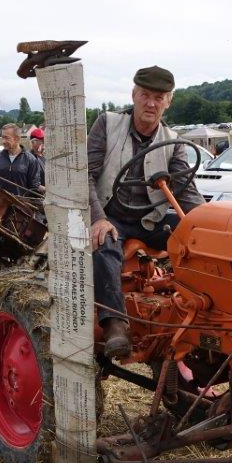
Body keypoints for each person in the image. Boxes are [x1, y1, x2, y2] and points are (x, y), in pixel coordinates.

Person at [89, 65, 204, 359]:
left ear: (169, 101)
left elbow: (184, 191)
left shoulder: (171, 140)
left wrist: (209, 222)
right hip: (111, 215)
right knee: (105, 245)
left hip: (149, 220)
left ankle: (199, 311)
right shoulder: (108, 123)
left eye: (159, 97)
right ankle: (115, 323)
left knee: (196, 240)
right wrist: (97, 218)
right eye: (145, 95)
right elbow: (85, 175)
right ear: (134, 95)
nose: (151, 103)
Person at [0, 123, 44, 198]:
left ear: (17, 139)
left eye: (7, 138)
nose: (3, 141)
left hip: (20, 207)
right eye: (2, 137)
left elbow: (34, 187)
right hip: (0, 207)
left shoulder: (30, 160)